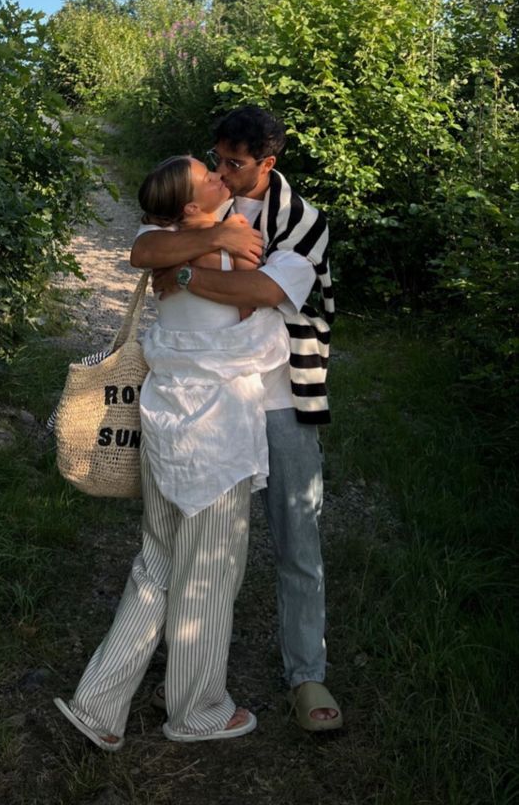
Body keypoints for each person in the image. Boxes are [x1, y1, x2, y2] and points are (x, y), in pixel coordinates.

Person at [55, 155, 290, 750]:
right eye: (209, 178)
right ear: (191, 206)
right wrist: (223, 241)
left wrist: (197, 255)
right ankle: (198, 710)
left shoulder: (165, 242)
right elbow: (251, 309)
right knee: (208, 575)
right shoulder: (200, 240)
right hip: (216, 437)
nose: (220, 176)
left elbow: (152, 253)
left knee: (156, 565)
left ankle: (99, 703)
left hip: (167, 425)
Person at [131, 106, 343, 733]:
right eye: (217, 158)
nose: (221, 172)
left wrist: (189, 270)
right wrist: (205, 245)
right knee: (196, 540)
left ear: (268, 164)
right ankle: (184, 674)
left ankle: (307, 676)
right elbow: (146, 248)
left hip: (281, 398)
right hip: (215, 400)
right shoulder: (212, 199)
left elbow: (263, 295)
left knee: (296, 537)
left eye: (235, 164)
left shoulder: (303, 223)